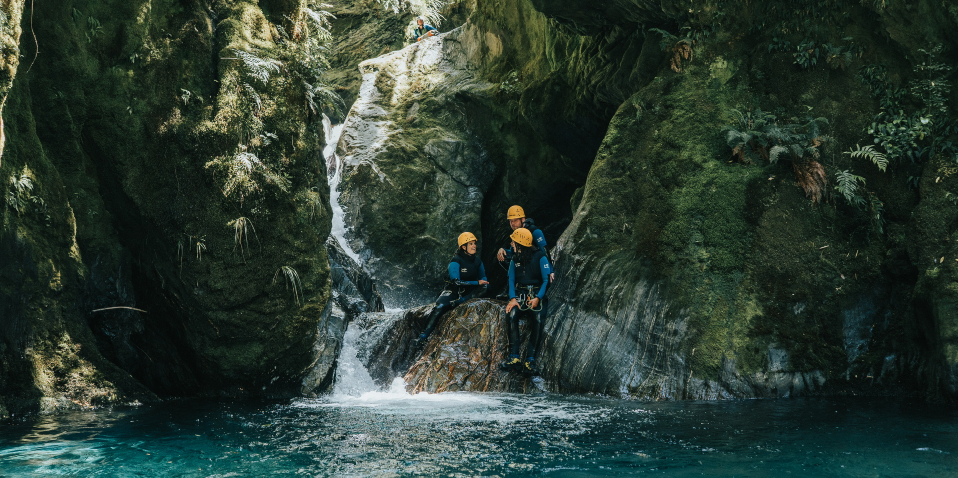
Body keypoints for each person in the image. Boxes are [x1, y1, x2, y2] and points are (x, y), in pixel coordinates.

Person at [418, 232, 489, 343]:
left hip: (468, 293)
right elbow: (456, 282)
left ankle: (460, 302)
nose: (474, 246)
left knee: (486, 288)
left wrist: (480, 283)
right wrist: (476, 282)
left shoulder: (478, 261)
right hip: (454, 290)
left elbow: (483, 280)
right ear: (463, 247)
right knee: (440, 306)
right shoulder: (456, 260)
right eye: (471, 244)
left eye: (474, 243)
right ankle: (423, 336)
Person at [500, 228, 551, 376]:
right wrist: (512, 299)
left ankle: (530, 361)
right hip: (520, 294)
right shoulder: (515, 259)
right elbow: (510, 280)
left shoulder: (540, 257)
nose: (511, 244)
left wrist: (538, 298)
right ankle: (514, 358)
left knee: (538, 318)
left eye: (514, 243)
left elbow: (546, 280)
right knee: (512, 314)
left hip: (535, 294)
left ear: (521, 245)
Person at [496, 205, 553, 285]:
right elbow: (513, 252)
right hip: (524, 265)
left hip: (535, 264)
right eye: (510, 221)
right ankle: (514, 284)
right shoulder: (516, 233)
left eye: (515, 220)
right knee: (502, 256)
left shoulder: (535, 231)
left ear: (523, 219)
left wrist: (550, 271)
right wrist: (502, 250)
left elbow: (545, 250)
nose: (512, 224)